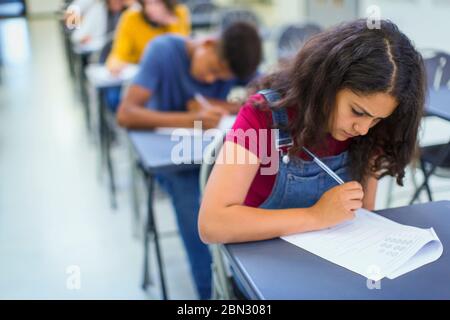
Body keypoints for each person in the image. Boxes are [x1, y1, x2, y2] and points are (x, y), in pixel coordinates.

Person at [198, 19, 426, 246]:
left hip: (333, 256)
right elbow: (212, 224)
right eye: (357, 111)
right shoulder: (263, 116)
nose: (363, 128)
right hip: (260, 261)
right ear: (328, 83)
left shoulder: (371, 132)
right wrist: (315, 216)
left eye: (376, 119)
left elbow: (363, 213)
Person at [117, 22, 263, 299]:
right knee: (192, 205)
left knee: (259, 188)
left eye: (222, 77)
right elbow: (125, 114)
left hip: (216, 157)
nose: (212, 80)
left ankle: (248, 286)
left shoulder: (235, 60)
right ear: (207, 44)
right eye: (213, 70)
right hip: (172, 159)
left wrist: (218, 105)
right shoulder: (163, 51)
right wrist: (189, 120)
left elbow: (265, 97)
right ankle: (210, 292)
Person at [106, 0, 191, 75]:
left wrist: (171, 23)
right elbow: (119, 54)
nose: (150, 9)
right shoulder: (131, 17)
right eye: (146, 3)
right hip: (140, 71)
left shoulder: (179, 13)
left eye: (157, 3)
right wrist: (115, 64)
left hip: (171, 72)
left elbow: (181, 54)